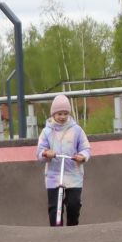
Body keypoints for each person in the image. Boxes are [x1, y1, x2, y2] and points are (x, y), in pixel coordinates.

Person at [37, 94, 90, 224]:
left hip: (73, 174)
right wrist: (45, 153)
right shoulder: (47, 131)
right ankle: (56, 233)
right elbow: (39, 150)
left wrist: (82, 156)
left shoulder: (76, 130)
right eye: (59, 113)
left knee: (73, 205)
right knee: (55, 209)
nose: (62, 117)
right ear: (53, 114)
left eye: (65, 113)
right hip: (54, 175)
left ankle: (72, 229)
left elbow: (86, 148)